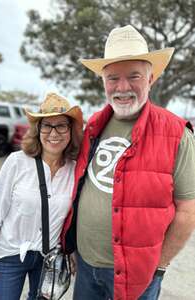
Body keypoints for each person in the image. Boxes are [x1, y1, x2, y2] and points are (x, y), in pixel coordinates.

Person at [61, 25, 195, 300]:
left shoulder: (177, 133)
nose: (122, 87)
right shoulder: (93, 127)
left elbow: (188, 211)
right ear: (103, 82)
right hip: (86, 266)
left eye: (134, 76)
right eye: (113, 78)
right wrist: (74, 245)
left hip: (139, 276)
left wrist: (159, 265)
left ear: (151, 79)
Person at [0, 92, 83, 300]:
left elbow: (71, 218)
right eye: (47, 125)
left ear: (70, 131)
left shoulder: (74, 170)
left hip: (49, 259)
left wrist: (72, 253)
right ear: (38, 129)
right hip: (9, 255)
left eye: (61, 125)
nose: (54, 133)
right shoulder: (17, 162)